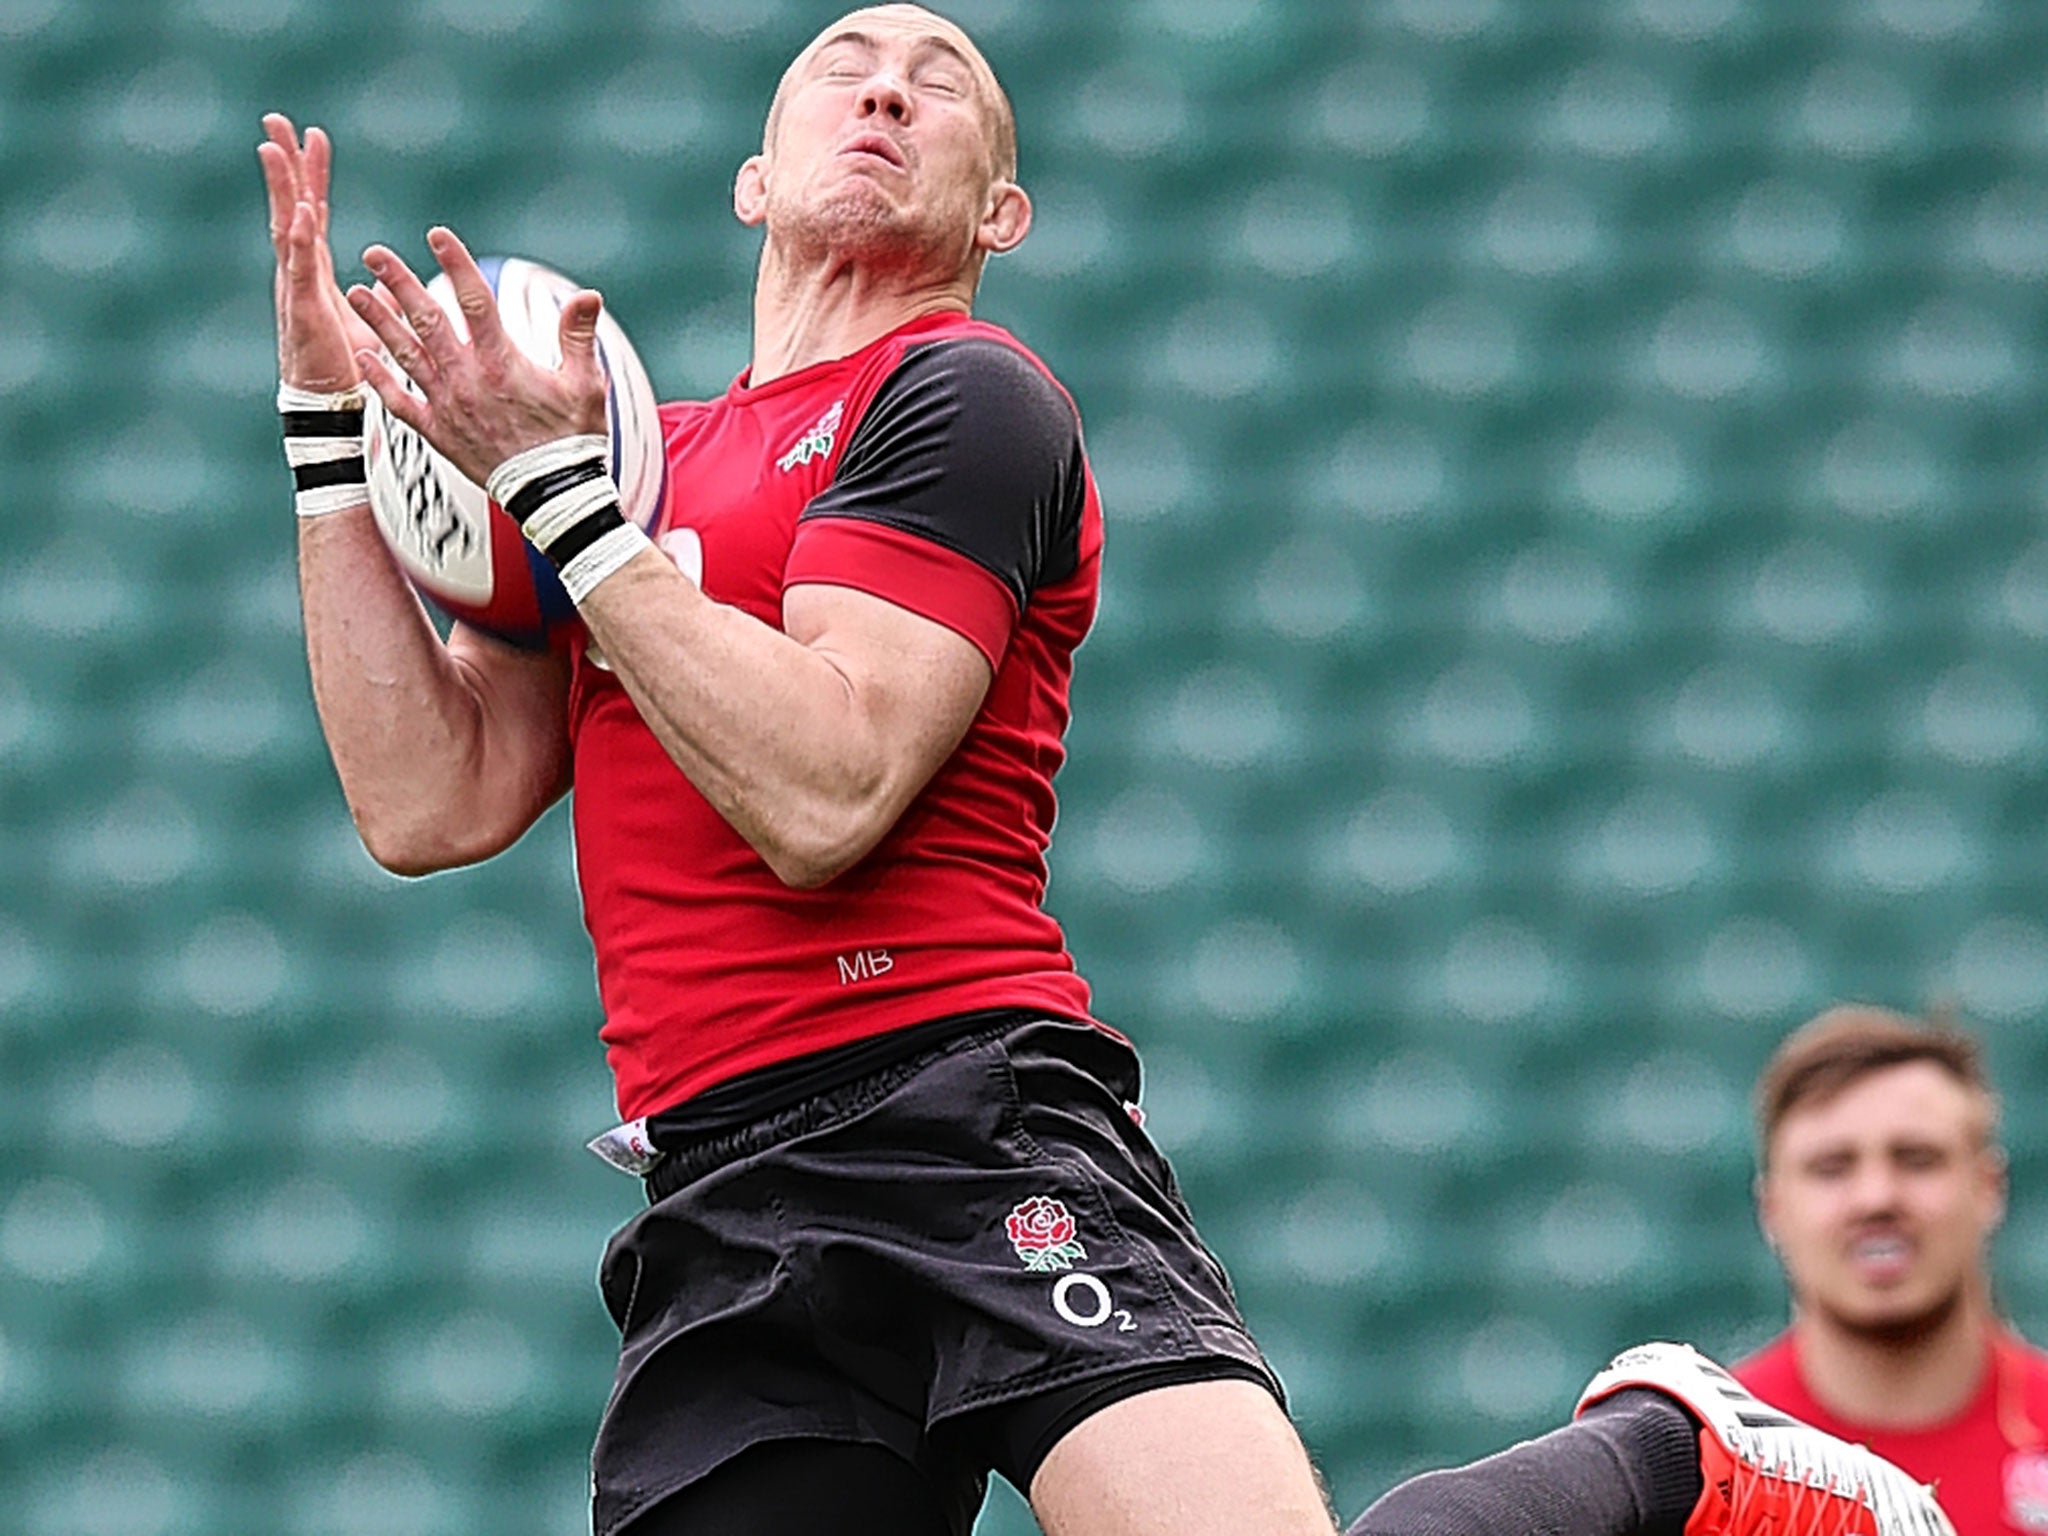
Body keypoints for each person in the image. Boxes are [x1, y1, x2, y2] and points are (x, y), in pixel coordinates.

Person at [258, 6, 1958, 1534]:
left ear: (998, 216)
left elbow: (826, 791)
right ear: (748, 182)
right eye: (839, 72)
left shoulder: (962, 397)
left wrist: (564, 510)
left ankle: (1663, 1451)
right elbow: (431, 801)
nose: (885, 93)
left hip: (951, 1109)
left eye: (940, 89)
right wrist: (330, 440)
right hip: (719, 1180)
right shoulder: (627, 470)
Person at [1735, 1006, 2048, 1536]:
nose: (1876, 1197)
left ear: (1989, 1187)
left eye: (1917, 1159)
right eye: (1831, 1168)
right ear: (1773, 1209)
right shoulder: (1706, 1460)